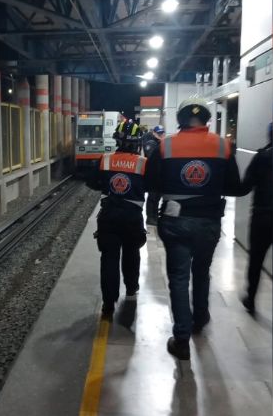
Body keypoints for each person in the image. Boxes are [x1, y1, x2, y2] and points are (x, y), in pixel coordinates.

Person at [146, 97, 241, 360]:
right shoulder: (223, 146)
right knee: (202, 272)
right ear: (207, 119)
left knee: (178, 277)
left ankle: (182, 338)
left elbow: (150, 183)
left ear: (180, 119)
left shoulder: (165, 146)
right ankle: (200, 318)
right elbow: (233, 187)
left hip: (176, 221)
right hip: (209, 221)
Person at [85, 120, 147, 318]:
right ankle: (131, 288)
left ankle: (108, 304)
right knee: (131, 253)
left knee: (109, 259)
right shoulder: (143, 163)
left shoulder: (105, 160)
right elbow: (152, 185)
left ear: (117, 140)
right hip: (132, 219)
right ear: (137, 142)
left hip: (109, 217)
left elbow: (92, 182)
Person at [235, 123, 273, 315]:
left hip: (263, 216)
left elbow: (245, 186)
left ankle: (250, 299)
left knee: (256, 260)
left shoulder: (262, 157)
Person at [142, 125, 165, 226]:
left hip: (159, 175)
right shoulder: (151, 143)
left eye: (162, 133)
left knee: (157, 197)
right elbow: (152, 158)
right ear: (154, 133)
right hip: (152, 174)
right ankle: (150, 218)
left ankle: (155, 216)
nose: (161, 134)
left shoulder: (159, 143)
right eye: (159, 133)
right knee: (152, 197)